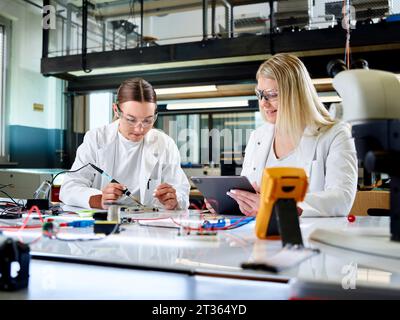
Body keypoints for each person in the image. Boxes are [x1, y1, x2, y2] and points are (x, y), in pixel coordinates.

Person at [214, 53, 358, 217]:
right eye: (260, 94)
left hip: (313, 236)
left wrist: (279, 205)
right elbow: (249, 196)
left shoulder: (335, 134)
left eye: (272, 94)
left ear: (296, 94)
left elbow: (341, 200)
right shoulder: (258, 137)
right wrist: (225, 203)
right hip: (260, 235)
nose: (263, 103)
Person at [60, 78, 190, 210]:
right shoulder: (97, 139)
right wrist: (100, 199)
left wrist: (174, 200)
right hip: (108, 223)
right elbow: (69, 188)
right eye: (131, 120)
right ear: (116, 110)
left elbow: (182, 192)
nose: (139, 129)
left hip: (149, 222)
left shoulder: (164, 144)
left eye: (148, 120)